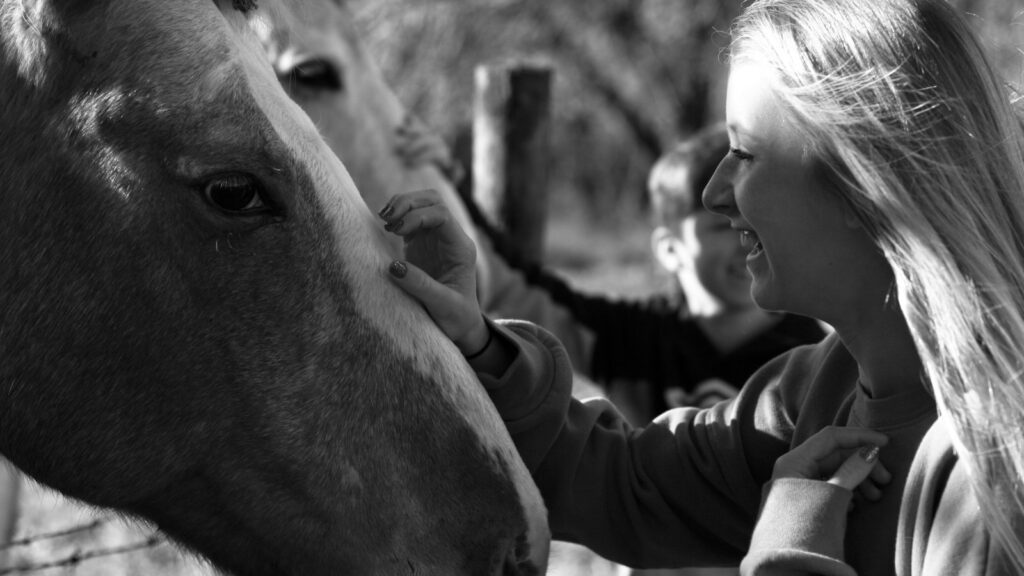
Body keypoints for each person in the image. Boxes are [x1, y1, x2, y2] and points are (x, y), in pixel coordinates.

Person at [380, 1, 1024, 574]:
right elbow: (622, 484)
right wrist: (474, 348)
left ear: (862, 182)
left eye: (744, 154)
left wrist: (789, 535)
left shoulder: (995, 471)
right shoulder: (806, 397)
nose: (715, 194)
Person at [397, 119, 826, 425]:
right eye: (721, 224)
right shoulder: (627, 337)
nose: (745, 236)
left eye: (755, 219)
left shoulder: (816, 355)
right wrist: (452, 185)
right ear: (669, 249)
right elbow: (517, 285)